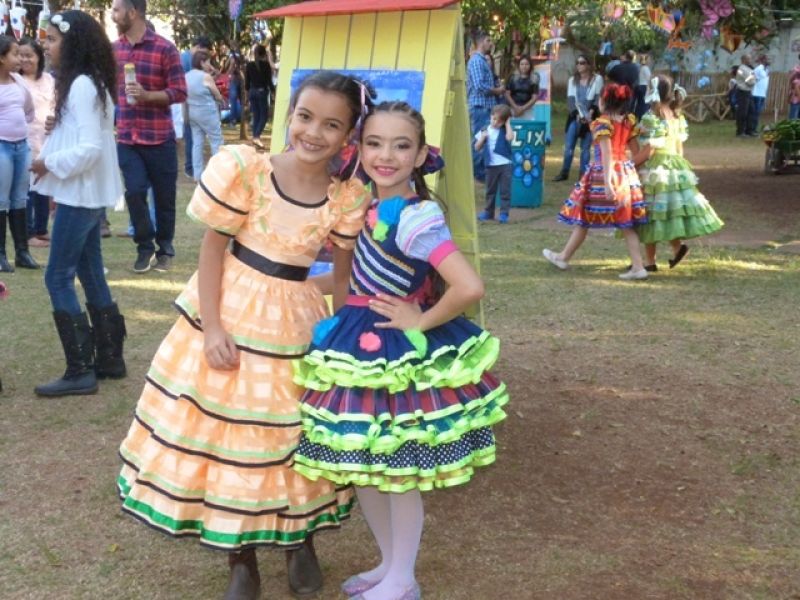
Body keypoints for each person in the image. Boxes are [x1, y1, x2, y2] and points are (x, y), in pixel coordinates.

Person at [117, 71, 372, 600]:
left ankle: (299, 537)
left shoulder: (347, 198)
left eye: (331, 125)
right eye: (305, 117)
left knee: (293, 433)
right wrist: (212, 326)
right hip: (231, 313)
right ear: (290, 115)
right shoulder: (247, 170)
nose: (314, 132)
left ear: (348, 135)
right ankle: (242, 556)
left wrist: (345, 340)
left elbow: (343, 279)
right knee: (230, 435)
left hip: (297, 324)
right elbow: (213, 251)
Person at [291, 100, 509, 600]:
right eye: (374, 143)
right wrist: (288, 282)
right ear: (359, 148)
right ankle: (389, 564)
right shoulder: (364, 206)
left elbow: (468, 286)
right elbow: (355, 280)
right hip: (356, 341)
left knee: (399, 469)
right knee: (366, 465)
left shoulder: (416, 217)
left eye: (401, 145)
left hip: (393, 355)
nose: (385, 156)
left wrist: (421, 319)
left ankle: (404, 577)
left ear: (420, 156)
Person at [30, 11, 126, 397]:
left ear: (73, 43)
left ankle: (80, 369)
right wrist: (59, 128)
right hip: (85, 195)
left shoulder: (83, 84)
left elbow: (89, 149)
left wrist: (48, 162)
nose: (46, 46)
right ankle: (109, 358)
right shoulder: (90, 82)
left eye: (53, 39)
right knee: (90, 274)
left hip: (80, 195)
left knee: (57, 277)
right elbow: (89, 136)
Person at [542, 83, 649, 280]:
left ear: (604, 102)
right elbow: (636, 151)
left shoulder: (603, 123)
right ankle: (638, 266)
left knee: (584, 216)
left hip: (604, 175)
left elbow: (607, 153)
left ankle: (563, 257)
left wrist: (608, 182)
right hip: (624, 174)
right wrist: (635, 173)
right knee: (625, 222)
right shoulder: (628, 122)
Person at [111, 0, 187, 274]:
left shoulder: (165, 48)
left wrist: (148, 96)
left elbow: (179, 91)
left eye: (117, 10)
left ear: (133, 12)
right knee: (134, 192)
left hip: (159, 137)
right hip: (127, 137)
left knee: (164, 199)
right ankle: (144, 247)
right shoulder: (114, 50)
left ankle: (165, 250)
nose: (113, 15)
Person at [632, 75, 725, 271]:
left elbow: (649, 150)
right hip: (675, 167)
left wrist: (631, 164)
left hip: (656, 169)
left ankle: (651, 261)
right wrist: (679, 169)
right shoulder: (676, 116)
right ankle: (676, 248)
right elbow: (678, 148)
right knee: (667, 212)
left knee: (652, 214)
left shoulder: (652, 118)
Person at [0, 34, 38, 273]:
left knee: (20, 198)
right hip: (2, 146)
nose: (20, 59)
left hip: (21, 147)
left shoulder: (19, 82)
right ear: (1, 58)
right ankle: (1, 255)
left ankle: (22, 252)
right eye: (14, 54)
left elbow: (29, 111)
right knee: (1, 199)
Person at [18, 37, 54, 249]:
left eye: (29, 55)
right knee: (27, 188)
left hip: (46, 138)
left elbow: (56, 104)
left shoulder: (49, 79)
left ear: (39, 57)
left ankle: (41, 229)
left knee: (43, 185)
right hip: (23, 138)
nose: (24, 59)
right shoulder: (15, 80)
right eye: (20, 55)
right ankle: (29, 232)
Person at [553, 54, 603, 182]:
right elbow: (570, 100)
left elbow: (598, 98)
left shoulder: (597, 79)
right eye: (578, 63)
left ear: (589, 65)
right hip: (575, 117)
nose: (579, 65)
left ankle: (583, 175)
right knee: (569, 146)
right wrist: (577, 114)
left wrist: (590, 113)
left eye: (582, 63)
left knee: (585, 148)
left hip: (590, 118)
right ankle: (564, 172)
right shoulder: (572, 80)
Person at [467, 32, 503, 182]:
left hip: (486, 107)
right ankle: (478, 173)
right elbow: (479, 86)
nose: (491, 43)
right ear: (481, 42)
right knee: (479, 140)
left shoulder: (482, 61)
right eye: (488, 40)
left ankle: (482, 172)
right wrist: (497, 91)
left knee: (485, 139)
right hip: (480, 107)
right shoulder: (476, 61)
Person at [186, 50, 224, 181]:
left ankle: (197, 175)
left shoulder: (186, 76)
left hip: (192, 112)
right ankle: (218, 173)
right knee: (216, 141)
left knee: (197, 143)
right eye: (208, 62)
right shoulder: (205, 77)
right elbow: (217, 95)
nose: (210, 65)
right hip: (207, 112)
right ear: (202, 62)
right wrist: (221, 99)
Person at [475, 104, 514, 223]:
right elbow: (477, 147)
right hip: (491, 166)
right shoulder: (484, 130)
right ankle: (488, 212)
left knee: (505, 191)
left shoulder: (505, 130)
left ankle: (504, 214)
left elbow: (510, 138)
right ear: (491, 116)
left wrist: (508, 124)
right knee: (490, 190)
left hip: (505, 165)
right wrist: (482, 138)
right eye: (494, 119)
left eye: (500, 121)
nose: (496, 123)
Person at [180, 35, 212, 179]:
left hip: (191, 104)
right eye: (203, 52)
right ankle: (190, 168)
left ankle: (193, 168)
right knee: (191, 137)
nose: (204, 57)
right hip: (187, 104)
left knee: (194, 138)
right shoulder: (185, 60)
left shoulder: (187, 58)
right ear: (198, 47)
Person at [245, 44, 274, 147]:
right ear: (264, 54)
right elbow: (269, 81)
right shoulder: (266, 65)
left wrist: (247, 96)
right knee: (264, 116)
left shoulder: (249, 65)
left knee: (256, 116)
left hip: (252, 92)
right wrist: (273, 91)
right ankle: (256, 137)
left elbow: (247, 83)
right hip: (262, 92)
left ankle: (255, 139)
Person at [734, 53, 756, 137]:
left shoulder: (748, 68)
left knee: (751, 111)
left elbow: (752, 77)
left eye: (750, 58)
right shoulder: (741, 69)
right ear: (743, 60)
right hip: (743, 92)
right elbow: (749, 81)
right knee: (743, 112)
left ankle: (749, 130)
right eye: (748, 59)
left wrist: (753, 77)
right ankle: (740, 131)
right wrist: (753, 78)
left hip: (748, 92)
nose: (750, 60)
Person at [751, 55, 770, 131]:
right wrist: (755, 80)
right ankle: (752, 129)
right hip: (756, 93)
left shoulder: (767, 69)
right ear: (762, 60)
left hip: (762, 94)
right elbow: (751, 77)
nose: (769, 61)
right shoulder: (758, 68)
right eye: (767, 59)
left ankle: (754, 128)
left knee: (758, 113)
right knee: (755, 112)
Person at [634, 52, 652, 121]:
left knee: (640, 103)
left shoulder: (640, 68)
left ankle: (637, 117)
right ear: (646, 60)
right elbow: (649, 79)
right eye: (649, 59)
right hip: (644, 87)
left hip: (639, 86)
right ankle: (642, 118)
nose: (649, 61)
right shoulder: (646, 68)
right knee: (644, 103)